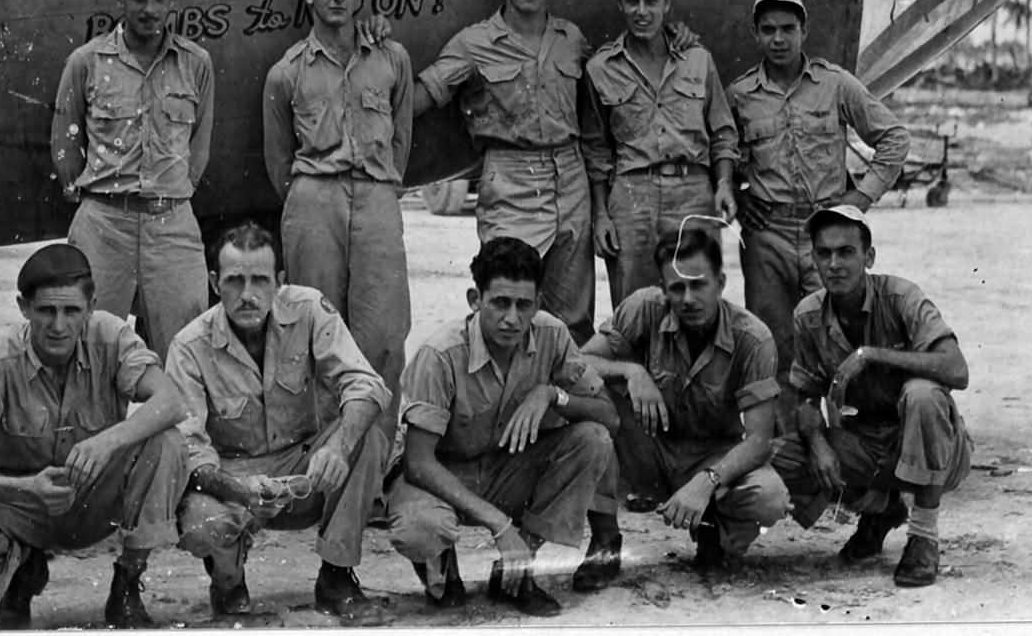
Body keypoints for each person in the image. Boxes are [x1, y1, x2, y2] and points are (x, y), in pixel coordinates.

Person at [0, 244, 191, 629]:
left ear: (92, 306)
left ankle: (128, 581)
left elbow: (171, 400)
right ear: (23, 307)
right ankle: (19, 575)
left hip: (98, 497)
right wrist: (26, 488)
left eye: (72, 311)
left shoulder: (112, 337)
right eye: (46, 310)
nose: (59, 325)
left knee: (166, 443)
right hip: (24, 504)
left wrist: (107, 441)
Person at [166, 223, 392, 620]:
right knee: (202, 523)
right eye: (235, 281)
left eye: (260, 280)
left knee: (365, 435)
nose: (248, 295)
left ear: (280, 281)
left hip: (306, 467)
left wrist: (338, 448)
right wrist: (239, 490)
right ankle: (228, 582)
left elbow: (365, 383)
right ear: (215, 283)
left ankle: (337, 577)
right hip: (235, 476)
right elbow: (189, 451)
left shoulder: (308, 309)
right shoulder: (189, 346)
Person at [386, 237, 618, 617]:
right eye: (500, 303)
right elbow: (419, 463)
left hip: (505, 468)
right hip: (441, 476)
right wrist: (500, 527)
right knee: (419, 529)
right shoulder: (440, 354)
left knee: (592, 440)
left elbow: (609, 416)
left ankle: (517, 567)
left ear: (538, 304)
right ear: (474, 299)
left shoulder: (552, 334)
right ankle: (441, 567)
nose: (512, 318)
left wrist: (551, 394)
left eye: (524, 305)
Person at [725, 0, 910, 410]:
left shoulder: (835, 84)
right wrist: (737, 195)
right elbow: (718, 155)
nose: (778, 39)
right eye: (768, 29)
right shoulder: (739, 95)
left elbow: (894, 138)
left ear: (803, 31)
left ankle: (850, 439)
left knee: (839, 336)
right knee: (775, 342)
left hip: (825, 234)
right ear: (755, 34)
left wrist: (858, 200)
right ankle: (790, 446)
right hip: (766, 234)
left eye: (788, 29)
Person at [771, 205, 972, 587]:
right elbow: (805, 396)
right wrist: (817, 444)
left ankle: (924, 536)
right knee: (781, 456)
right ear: (813, 259)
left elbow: (956, 370)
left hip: (930, 446)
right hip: (865, 444)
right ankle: (880, 508)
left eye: (846, 252)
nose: (834, 263)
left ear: (869, 257)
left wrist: (871, 355)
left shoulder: (900, 297)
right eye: (824, 253)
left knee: (923, 395)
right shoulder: (809, 315)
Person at [413, 0, 596, 344]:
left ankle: (565, 405)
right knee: (505, 312)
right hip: (510, 178)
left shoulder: (571, 40)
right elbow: (422, 96)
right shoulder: (474, 44)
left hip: (570, 178)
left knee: (574, 318)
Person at [578, 226, 788, 583]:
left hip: (713, 456)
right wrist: (631, 371)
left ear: (720, 283)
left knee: (769, 497)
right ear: (663, 289)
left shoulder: (753, 337)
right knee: (590, 411)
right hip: (650, 449)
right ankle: (604, 540)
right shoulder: (644, 307)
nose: (688, 298)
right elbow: (577, 365)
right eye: (677, 287)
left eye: (699, 284)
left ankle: (713, 530)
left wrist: (707, 482)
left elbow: (758, 440)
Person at [262, 0, 413, 432]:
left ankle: (375, 463)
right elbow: (278, 159)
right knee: (314, 329)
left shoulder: (391, 59)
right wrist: (311, 197)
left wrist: (380, 189)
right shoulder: (287, 72)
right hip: (314, 198)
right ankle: (324, 458)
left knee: (385, 332)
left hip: (377, 195)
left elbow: (402, 138)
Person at [51, 0, 211, 360]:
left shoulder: (195, 64)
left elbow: (199, 147)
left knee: (186, 352)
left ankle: (173, 428)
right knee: (90, 350)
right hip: (104, 224)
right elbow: (66, 140)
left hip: (171, 225)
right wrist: (94, 200)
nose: (150, 8)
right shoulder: (86, 62)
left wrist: (168, 196)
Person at [581, 0, 739, 306]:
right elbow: (596, 151)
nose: (642, 11)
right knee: (636, 304)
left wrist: (724, 183)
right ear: (619, 4)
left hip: (694, 191)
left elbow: (723, 133)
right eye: (633, 1)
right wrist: (601, 215)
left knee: (695, 296)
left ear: (667, 4)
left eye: (651, 1)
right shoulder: (600, 68)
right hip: (632, 196)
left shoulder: (698, 60)